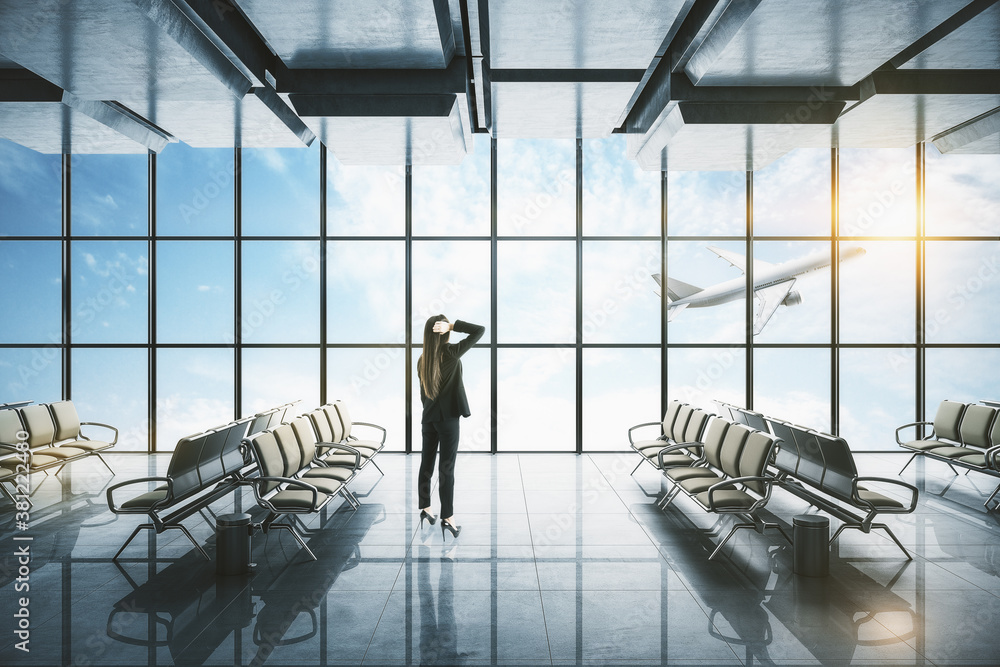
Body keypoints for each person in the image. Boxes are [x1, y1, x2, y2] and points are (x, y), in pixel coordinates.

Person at [417, 314, 485, 539]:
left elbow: (422, 394)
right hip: (448, 420)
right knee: (446, 469)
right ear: (444, 332)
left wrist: (430, 412)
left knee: (426, 464)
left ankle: (426, 508)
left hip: (428, 418)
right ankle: (448, 518)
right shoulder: (451, 353)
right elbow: (480, 330)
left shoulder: (422, 359)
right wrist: (454, 325)